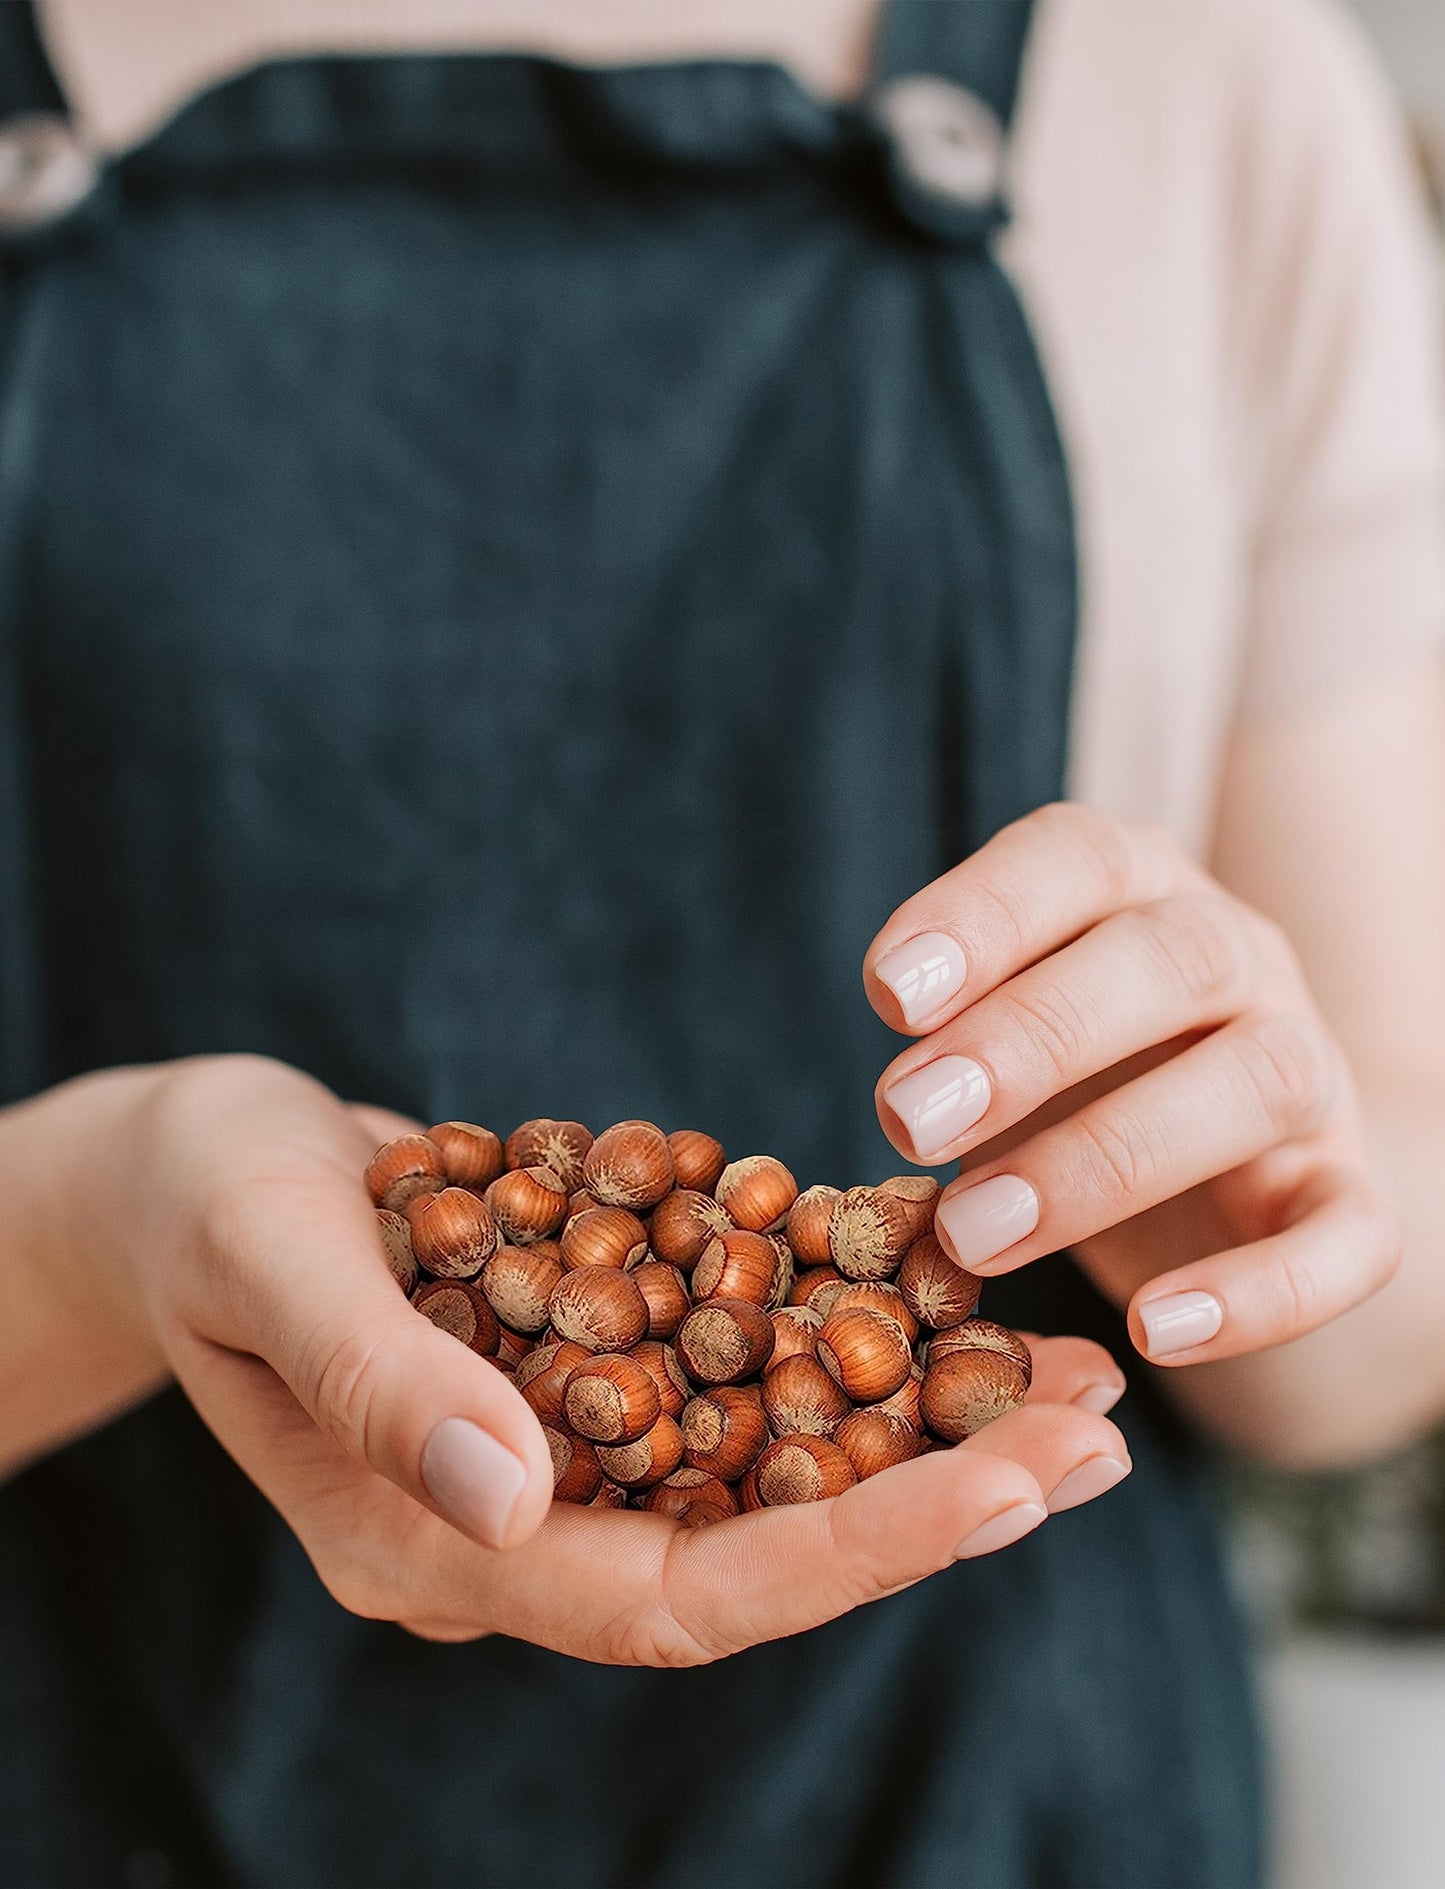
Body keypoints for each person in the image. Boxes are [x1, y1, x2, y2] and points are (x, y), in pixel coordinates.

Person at [2, 0, 1444, 1884]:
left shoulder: (1211, 75)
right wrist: (98, 1228)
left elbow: (1381, 1297)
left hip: (995, 1796)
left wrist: (1244, 1208)